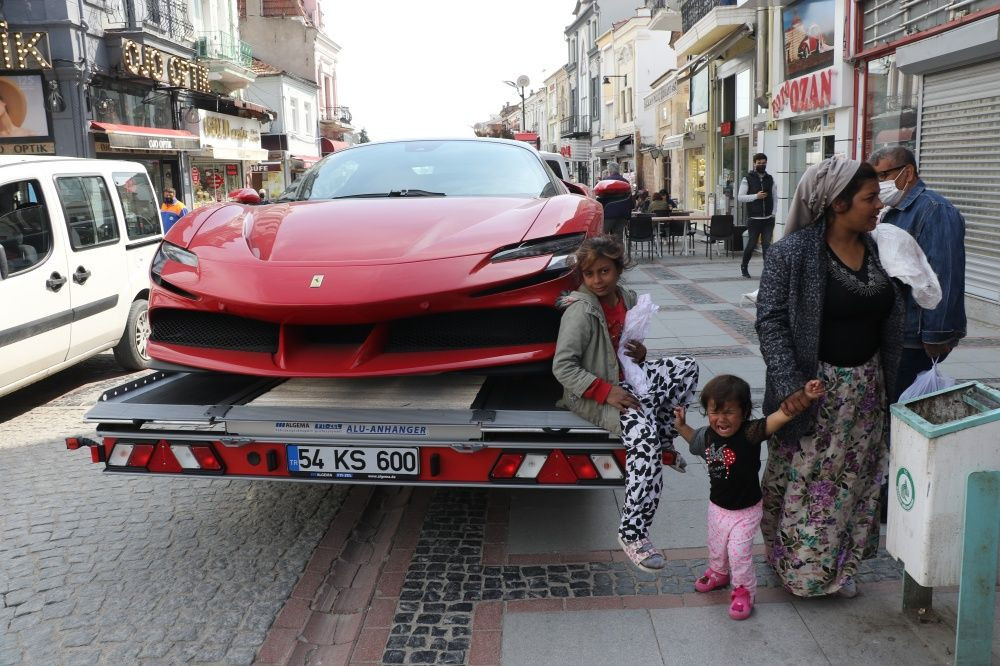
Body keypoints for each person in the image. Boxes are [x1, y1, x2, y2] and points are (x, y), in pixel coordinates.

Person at [756, 157, 904, 598]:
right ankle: (800, 570)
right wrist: (790, 388)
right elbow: (770, 321)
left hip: (867, 393)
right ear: (837, 203)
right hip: (814, 395)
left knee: (854, 485)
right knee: (808, 485)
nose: (879, 205)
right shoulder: (792, 253)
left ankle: (841, 564)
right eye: (870, 197)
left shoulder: (879, 248)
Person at [553, 235, 699, 572]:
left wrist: (643, 354)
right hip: (597, 393)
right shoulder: (580, 311)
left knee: (685, 368)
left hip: (627, 377)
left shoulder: (627, 298)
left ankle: (665, 441)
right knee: (642, 443)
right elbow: (562, 367)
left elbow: (626, 346)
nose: (597, 280)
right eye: (589, 274)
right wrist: (606, 392)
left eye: (604, 271)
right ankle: (633, 533)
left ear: (619, 269)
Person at [674, 375, 825, 620]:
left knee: (738, 553)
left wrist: (805, 397)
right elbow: (694, 441)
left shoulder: (750, 433)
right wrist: (681, 426)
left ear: (744, 413)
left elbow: (779, 417)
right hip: (717, 507)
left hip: (746, 510)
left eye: (729, 412)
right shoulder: (709, 436)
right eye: (714, 412)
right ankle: (718, 572)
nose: (721, 419)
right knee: (716, 546)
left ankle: (744, 590)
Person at [868, 146, 966, 401]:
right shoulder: (892, 211)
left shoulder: (935, 210)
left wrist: (936, 335)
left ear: (907, 172)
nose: (878, 184)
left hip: (916, 335)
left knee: (904, 406)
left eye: (882, 175)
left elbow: (945, 275)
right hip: (895, 330)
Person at [737, 153, 777, 279]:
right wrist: (756, 196)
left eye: (763, 163)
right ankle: (744, 266)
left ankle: (767, 271)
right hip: (754, 219)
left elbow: (775, 197)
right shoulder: (747, 179)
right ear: (754, 163)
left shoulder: (770, 178)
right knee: (752, 244)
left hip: (768, 219)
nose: (761, 165)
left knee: (767, 245)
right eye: (759, 163)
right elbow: (740, 197)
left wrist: (774, 213)